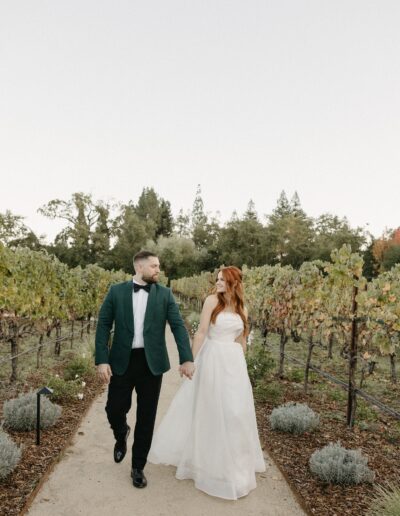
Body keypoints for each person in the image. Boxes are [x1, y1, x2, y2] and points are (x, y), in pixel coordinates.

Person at [148, 266, 266, 500]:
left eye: (222, 280)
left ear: (234, 282)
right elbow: (201, 332)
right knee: (212, 410)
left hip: (233, 364)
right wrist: (189, 361)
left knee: (235, 413)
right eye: (217, 279)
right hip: (212, 360)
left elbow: (242, 339)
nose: (218, 282)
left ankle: (234, 465)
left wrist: (242, 368)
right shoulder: (212, 301)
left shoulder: (243, 306)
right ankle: (209, 464)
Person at [95, 250, 195, 489]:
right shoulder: (116, 292)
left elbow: (178, 327)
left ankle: (138, 466)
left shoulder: (165, 294)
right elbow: (103, 325)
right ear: (139, 267)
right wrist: (102, 359)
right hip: (122, 360)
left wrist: (187, 358)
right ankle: (121, 433)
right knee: (114, 408)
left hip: (152, 363)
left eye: (158, 266)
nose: (158, 270)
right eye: (154, 266)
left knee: (147, 416)